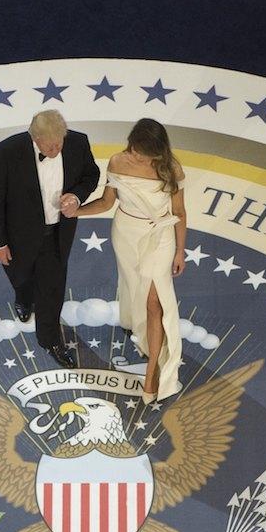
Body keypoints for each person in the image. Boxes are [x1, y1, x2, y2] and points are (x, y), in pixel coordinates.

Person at [64, 118, 187, 402]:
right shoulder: (118, 162)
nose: (134, 154)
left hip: (160, 237)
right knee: (135, 288)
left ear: (157, 151)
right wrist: (76, 212)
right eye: (133, 147)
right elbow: (107, 203)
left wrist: (180, 250)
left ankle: (153, 371)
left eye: (141, 151)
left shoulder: (171, 169)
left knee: (155, 302)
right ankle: (139, 328)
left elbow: (180, 211)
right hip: (126, 235)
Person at [0, 109, 100, 368]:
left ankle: (50, 340)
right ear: (34, 138)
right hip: (18, 236)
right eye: (50, 146)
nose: (56, 149)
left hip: (57, 234)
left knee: (52, 290)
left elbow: (90, 175)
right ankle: (23, 297)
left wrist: (77, 196)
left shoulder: (78, 143)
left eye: (60, 142)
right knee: (20, 276)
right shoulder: (7, 151)